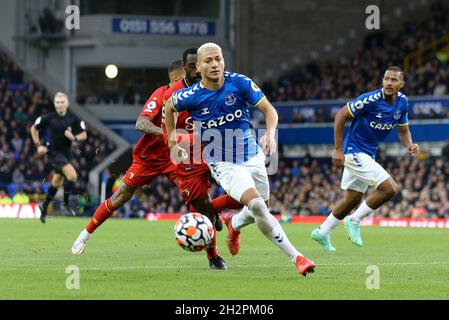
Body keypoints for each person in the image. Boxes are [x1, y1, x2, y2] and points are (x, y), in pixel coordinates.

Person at [165, 42, 315, 276]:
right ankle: (298, 257)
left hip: (253, 156)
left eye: (218, 59)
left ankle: (233, 224)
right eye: (208, 61)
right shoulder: (190, 96)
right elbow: (169, 107)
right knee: (256, 205)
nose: (215, 64)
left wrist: (269, 133)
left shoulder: (240, 83)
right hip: (224, 163)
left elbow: (270, 110)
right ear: (198, 67)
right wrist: (173, 140)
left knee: (262, 208)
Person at [71, 61, 183, 255]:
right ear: (175, 78)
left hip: (173, 156)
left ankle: (214, 246)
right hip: (148, 157)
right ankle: (85, 234)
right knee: (121, 196)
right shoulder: (161, 94)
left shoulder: (192, 96)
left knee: (196, 192)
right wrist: (165, 132)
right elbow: (141, 123)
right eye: (185, 76)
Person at [311, 66, 419, 251]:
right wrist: (337, 149)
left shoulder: (403, 102)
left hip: (368, 153)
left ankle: (322, 231)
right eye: (386, 78)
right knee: (390, 189)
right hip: (353, 151)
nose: (389, 83)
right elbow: (340, 115)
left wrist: (409, 144)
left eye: (394, 80)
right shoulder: (370, 100)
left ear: (402, 84)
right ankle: (354, 220)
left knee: (353, 198)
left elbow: (403, 130)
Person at [162, 47, 244, 270]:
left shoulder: (221, 84)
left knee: (248, 196)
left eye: (198, 65)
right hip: (189, 153)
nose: (197, 70)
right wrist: (173, 144)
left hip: (219, 145)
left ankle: (223, 215)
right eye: (191, 66)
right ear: (186, 67)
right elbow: (165, 123)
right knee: (201, 207)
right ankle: (214, 257)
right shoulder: (174, 96)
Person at [31, 92, 87, 223]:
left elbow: (84, 134)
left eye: (62, 102)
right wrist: (38, 145)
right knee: (72, 176)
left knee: (56, 183)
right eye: (57, 102)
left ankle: (44, 206)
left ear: (67, 104)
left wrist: (74, 137)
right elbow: (34, 129)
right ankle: (66, 204)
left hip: (66, 155)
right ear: (54, 104)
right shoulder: (49, 118)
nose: (60, 105)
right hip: (53, 154)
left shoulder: (73, 118)